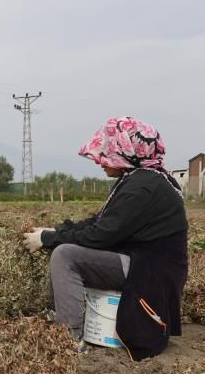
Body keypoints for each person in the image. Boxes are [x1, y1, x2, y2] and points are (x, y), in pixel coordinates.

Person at [22, 117, 188, 359]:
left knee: (66, 255)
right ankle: (60, 317)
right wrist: (55, 231)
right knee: (64, 245)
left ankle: (68, 340)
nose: (100, 160)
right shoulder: (140, 179)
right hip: (140, 260)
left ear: (126, 152)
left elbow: (100, 236)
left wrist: (49, 239)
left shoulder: (143, 187)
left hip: (150, 270)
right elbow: (100, 222)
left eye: (107, 152)